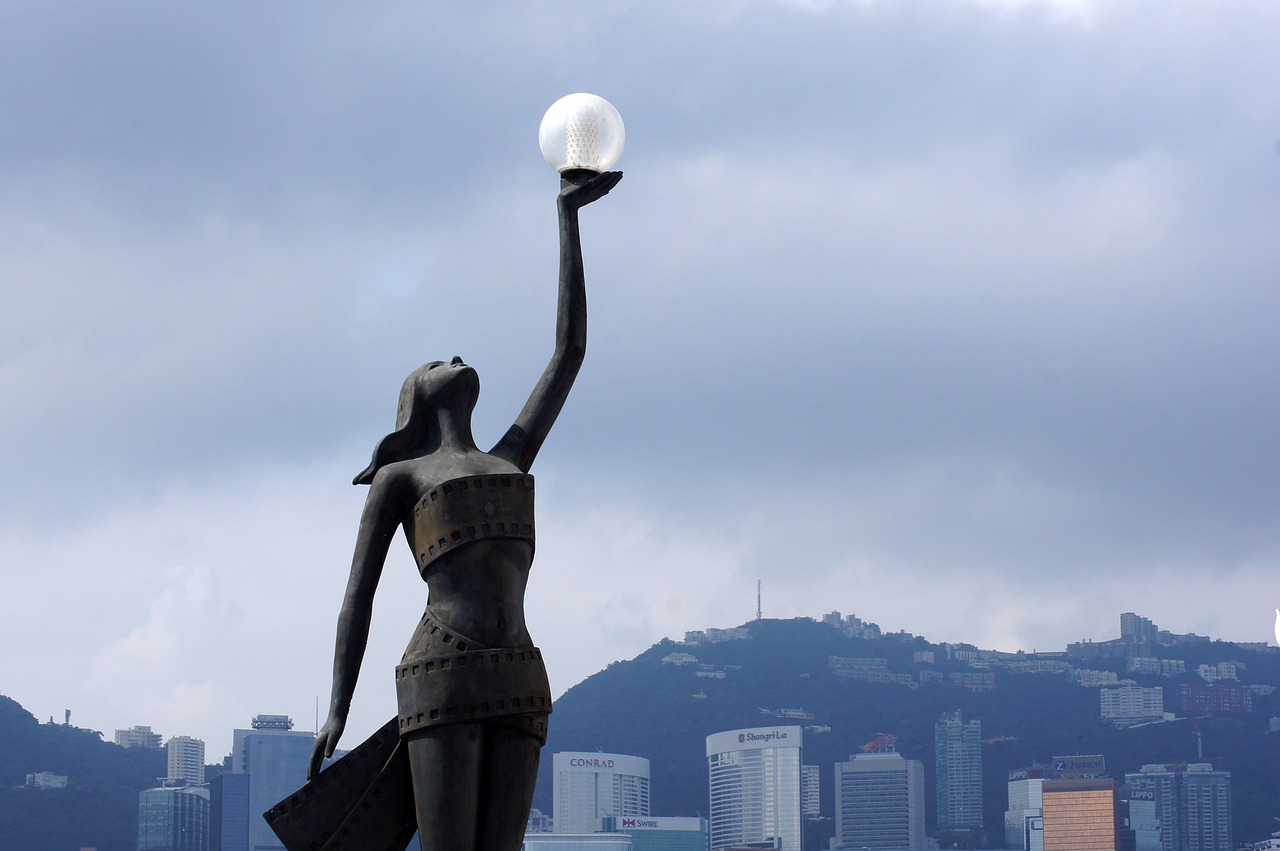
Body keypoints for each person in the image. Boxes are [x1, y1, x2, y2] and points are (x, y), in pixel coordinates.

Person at [267, 169, 621, 851]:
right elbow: (356, 600)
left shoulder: (510, 457)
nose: (454, 357)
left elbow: (570, 352)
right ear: (415, 400)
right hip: (443, 670)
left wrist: (568, 220)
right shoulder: (401, 475)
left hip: (518, 671)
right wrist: (337, 709)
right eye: (435, 361)